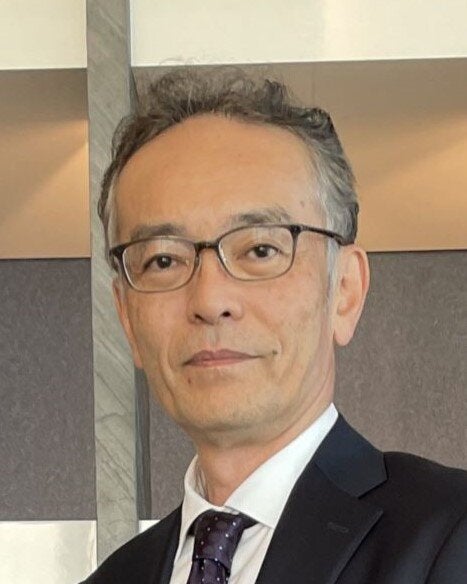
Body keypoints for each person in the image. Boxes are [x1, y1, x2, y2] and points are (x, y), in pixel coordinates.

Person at [82, 68, 467, 584]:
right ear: (127, 318)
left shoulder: (449, 536)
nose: (210, 300)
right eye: (163, 260)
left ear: (345, 290)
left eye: (260, 249)